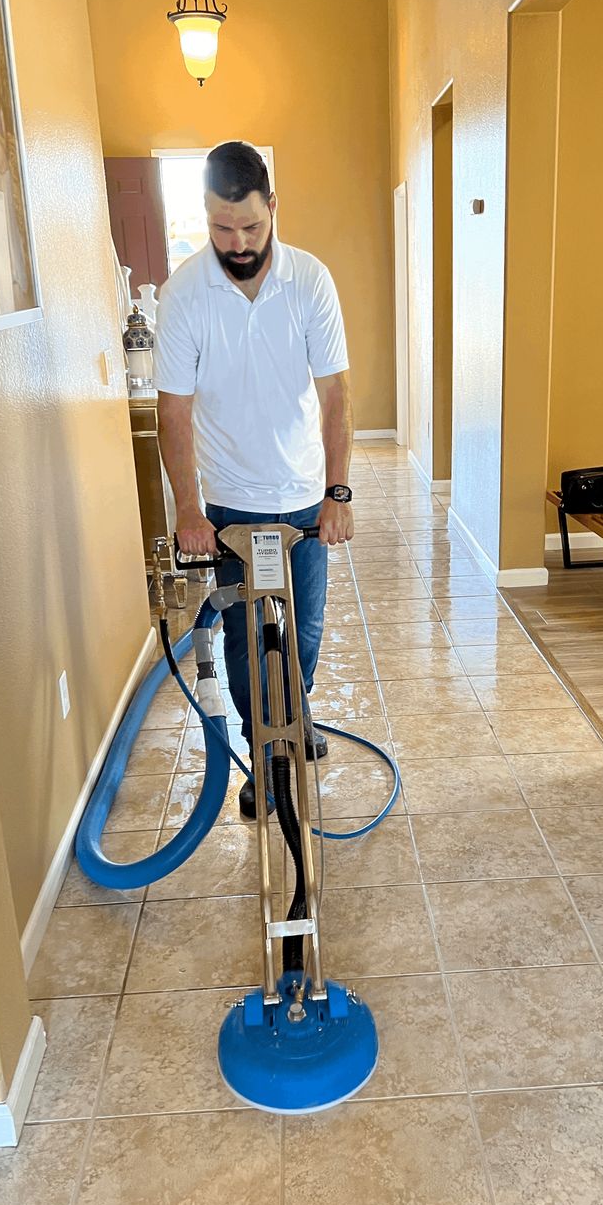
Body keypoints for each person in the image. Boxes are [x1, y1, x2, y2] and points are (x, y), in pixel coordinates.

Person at [154, 140, 355, 819]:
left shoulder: (310, 282)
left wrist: (337, 492)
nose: (237, 243)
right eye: (221, 228)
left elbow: (335, 396)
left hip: (302, 499)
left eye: (250, 226)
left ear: (273, 207)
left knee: (304, 633)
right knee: (242, 641)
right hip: (229, 504)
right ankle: (264, 754)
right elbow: (173, 410)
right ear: (204, 215)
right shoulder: (185, 294)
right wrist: (188, 509)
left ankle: (295, 721)